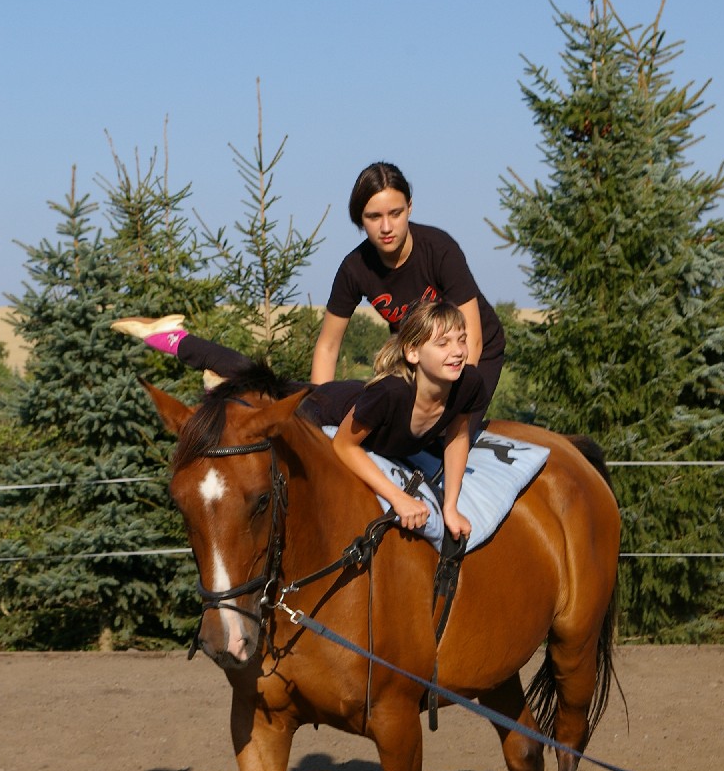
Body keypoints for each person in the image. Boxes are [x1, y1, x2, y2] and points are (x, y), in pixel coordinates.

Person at [112, 300, 484, 540]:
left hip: (358, 404)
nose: (457, 352)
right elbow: (344, 446)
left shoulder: (467, 383)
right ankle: (170, 338)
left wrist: (450, 507)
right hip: (324, 409)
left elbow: (456, 437)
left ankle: (218, 380)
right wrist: (398, 499)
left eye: (461, 340)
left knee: (260, 380)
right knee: (263, 384)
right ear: (413, 353)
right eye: (443, 343)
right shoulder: (390, 394)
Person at [311, 162, 505, 432]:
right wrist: (319, 413)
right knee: (391, 433)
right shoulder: (354, 269)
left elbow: (473, 338)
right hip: (416, 355)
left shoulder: (439, 250)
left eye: (395, 213)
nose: (386, 227)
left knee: (444, 435)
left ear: (409, 207)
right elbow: (328, 347)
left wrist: (447, 403)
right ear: (359, 219)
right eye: (374, 217)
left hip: (472, 353)